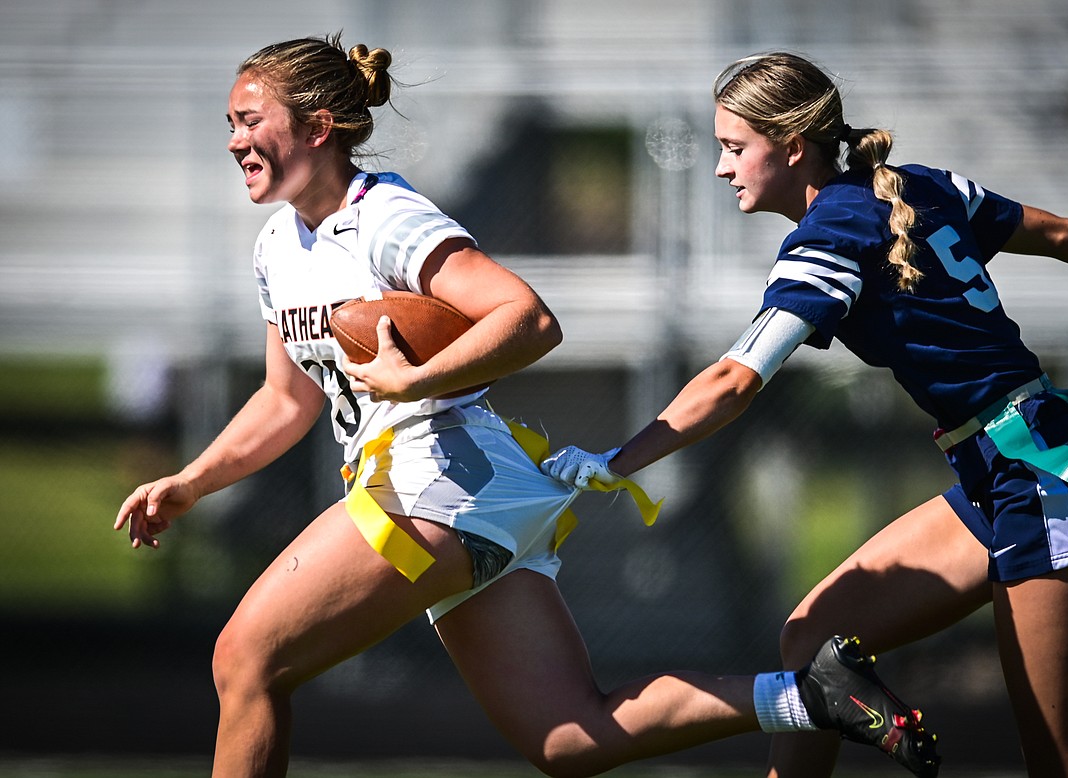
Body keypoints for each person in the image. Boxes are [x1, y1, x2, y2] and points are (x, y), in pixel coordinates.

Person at [113, 36, 941, 778]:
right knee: (572, 738)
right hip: (470, 496)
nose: (232, 140)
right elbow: (284, 399)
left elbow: (528, 318)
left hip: (433, 482)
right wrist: (191, 480)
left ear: (319, 125)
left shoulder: (384, 218)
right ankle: (815, 698)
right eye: (228, 121)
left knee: (245, 659)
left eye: (249, 119)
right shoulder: (276, 247)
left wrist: (412, 381)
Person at [542, 50, 1068, 777]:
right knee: (814, 642)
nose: (721, 169)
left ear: (793, 146)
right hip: (1013, 460)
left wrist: (615, 461)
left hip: (1041, 471)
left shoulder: (830, 236)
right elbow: (1065, 232)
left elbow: (732, 381)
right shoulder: (919, 185)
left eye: (734, 148)